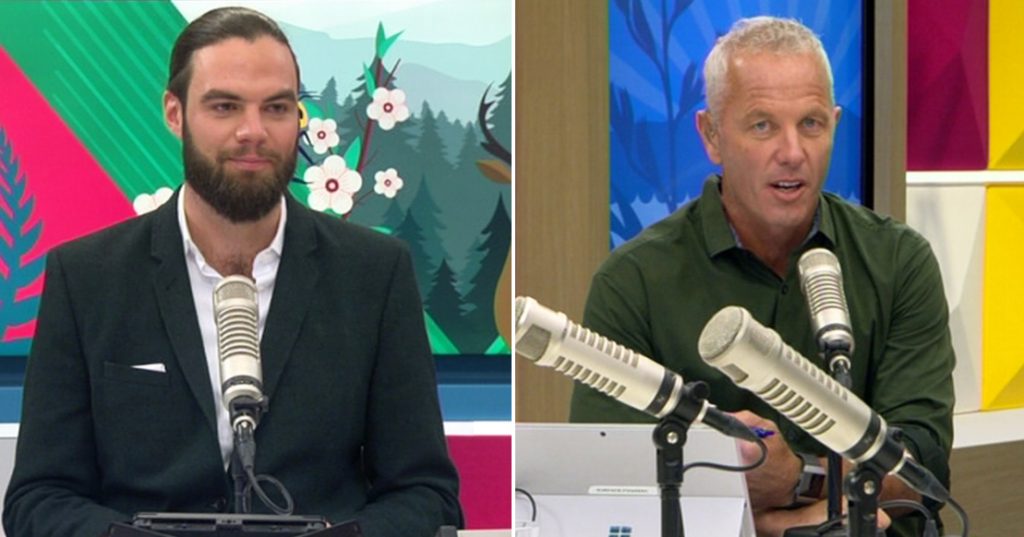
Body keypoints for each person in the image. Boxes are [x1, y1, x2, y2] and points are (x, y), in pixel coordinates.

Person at [3, 7, 461, 537]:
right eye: (224, 106)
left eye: (277, 108)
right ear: (174, 113)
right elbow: (38, 500)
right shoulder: (85, 278)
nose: (253, 131)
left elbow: (426, 497)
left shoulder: (375, 275)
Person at [570, 16, 954, 537]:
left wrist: (802, 479)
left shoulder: (899, 261)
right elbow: (605, 476)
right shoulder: (633, 281)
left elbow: (923, 469)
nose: (793, 152)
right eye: (762, 125)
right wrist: (759, 518)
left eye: (812, 124)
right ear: (710, 135)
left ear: (835, 124)